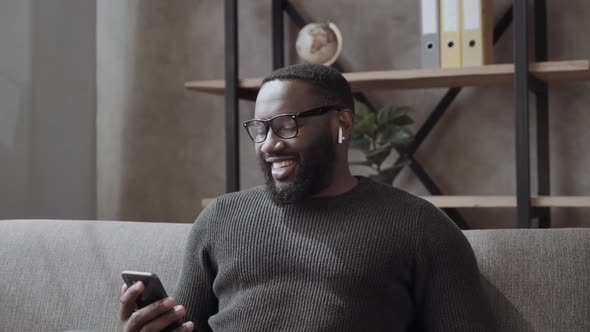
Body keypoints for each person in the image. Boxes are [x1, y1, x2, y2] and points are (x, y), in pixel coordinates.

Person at [119, 63, 497, 331]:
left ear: (342, 124)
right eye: (260, 129)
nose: (269, 145)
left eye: (286, 125)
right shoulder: (221, 218)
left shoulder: (419, 226)